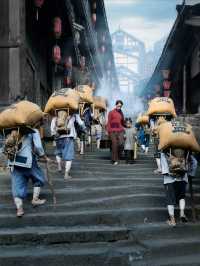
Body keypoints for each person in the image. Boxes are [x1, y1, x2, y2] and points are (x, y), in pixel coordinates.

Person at [4, 127, 49, 217]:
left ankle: (19, 209)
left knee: (17, 185)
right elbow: (38, 146)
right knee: (38, 178)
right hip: (28, 161)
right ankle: (35, 199)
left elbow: (4, 148)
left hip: (14, 161)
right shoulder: (32, 130)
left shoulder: (9, 130)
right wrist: (44, 157)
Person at [160, 148, 197, 226]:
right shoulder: (186, 150)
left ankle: (172, 220)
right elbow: (195, 162)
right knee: (181, 197)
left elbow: (164, 167)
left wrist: (166, 172)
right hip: (183, 178)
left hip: (169, 180)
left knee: (170, 199)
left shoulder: (165, 150)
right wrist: (191, 174)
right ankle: (182, 213)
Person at [51, 110, 84, 179]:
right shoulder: (73, 115)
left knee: (58, 153)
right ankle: (66, 174)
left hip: (58, 138)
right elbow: (81, 123)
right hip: (68, 137)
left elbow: (52, 129)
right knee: (69, 156)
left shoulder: (55, 117)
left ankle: (59, 166)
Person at [107, 100, 125, 165]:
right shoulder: (111, 112)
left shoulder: (121, 113)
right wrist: (108, 131)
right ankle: (115, 160)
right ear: (116, 105)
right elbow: (108, 122)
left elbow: (123, 122)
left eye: (120, 106)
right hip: (112, 130)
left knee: (121, 144)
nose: (119, 106)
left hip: (120, 130)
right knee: (114, 144)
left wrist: (127, 126)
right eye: (118, 105)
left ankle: (117, 155)